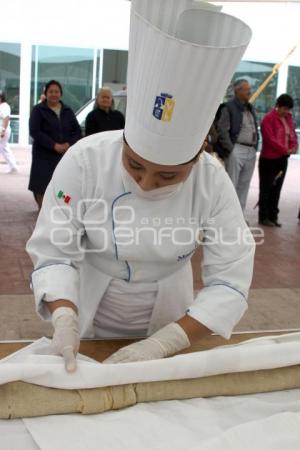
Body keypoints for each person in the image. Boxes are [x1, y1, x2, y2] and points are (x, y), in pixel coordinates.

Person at [26, 0, 254, 372]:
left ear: (196, 156)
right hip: (89, 300)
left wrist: (168, 342)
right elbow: (54, 249)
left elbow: (229, 281)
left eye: (168, 176)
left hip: (172, 312)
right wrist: (64, 315)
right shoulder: (86, 160)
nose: (146, 184)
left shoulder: (212, 181)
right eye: (134, 165)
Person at [28, 80, 82, 210]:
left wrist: (69, 144)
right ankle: (42, 211)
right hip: (43, 155)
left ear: (60, 94)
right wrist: (53, 145)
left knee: (61, 186)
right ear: (46, 94)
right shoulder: (38, 110)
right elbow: (35, 131)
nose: (53, 94)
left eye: (56, 91)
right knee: (42, 186)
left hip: (63, 156)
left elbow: (77, 131)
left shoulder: (67, 110)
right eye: (50, 91)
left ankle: (60, 210)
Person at [216, 79, 258, 213]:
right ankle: (226, 216)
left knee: (244, 186)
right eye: (246, 89)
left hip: (250, 150)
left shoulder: (250, 107)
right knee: (231, 185)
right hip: (237, 148)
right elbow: (221, 129)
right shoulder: (229, 107)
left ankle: (239, 217)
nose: (249, 92)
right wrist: (231, 149)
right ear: (237, 91)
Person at [258, 94, 298, 227]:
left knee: (277, 188)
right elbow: (269, 139)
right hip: (269, 160)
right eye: (284, 108)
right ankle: (263, 216)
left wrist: (293, 147)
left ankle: (273, 216)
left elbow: (292, 136)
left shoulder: (289, 119)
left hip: (282, 159)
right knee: (266, 188)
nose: (286, 111)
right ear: (278, 106)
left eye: (288, 109)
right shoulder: (268, 119)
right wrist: (284, 149)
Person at [0, 92, 18, 174]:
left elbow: (6, 119)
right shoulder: (2, 106)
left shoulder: (4, 106)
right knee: (5, 149)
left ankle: (13, 167)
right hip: (3, 129)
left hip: (3, 129)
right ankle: (13, 167)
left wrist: (3, 130)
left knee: (2, 148)